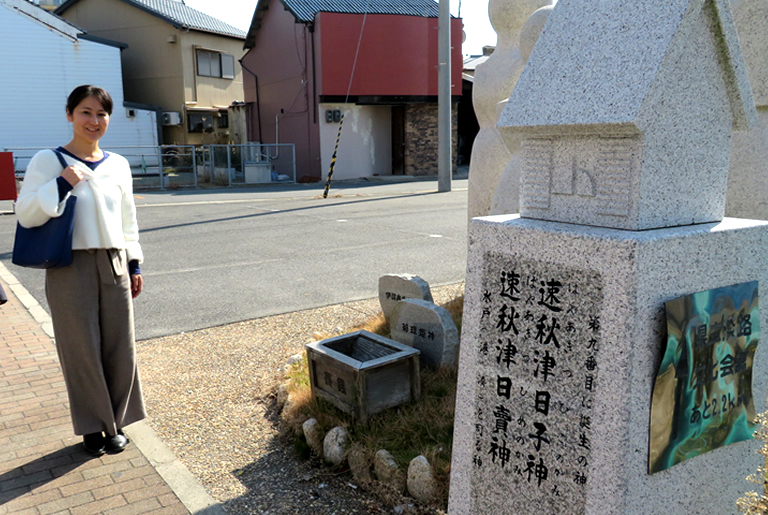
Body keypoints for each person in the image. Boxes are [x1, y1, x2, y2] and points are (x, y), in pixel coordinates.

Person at [16, 85, 146, 456]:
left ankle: (116, 422)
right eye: (86, 112)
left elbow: (128, 220)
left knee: (121, 347)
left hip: (115, 261)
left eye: (102, 114)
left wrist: (134, 262)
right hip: (69, 265)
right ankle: (93, 426)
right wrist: (62, 183)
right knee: (80, 349)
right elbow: (25, 212)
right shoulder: (49, 160)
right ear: (69, 114)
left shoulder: (118, 164)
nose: (94, 121)